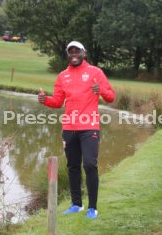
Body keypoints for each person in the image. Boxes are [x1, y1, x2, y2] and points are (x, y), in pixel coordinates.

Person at [38, 41, 115, 219]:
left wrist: (100, 89)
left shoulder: (96, 72)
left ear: (83, 53)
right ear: (68, 54)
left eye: (77, 51)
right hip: (69, 128)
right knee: (73, 166)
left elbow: (111, 97)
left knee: (89, 164)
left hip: (89, 127)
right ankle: (76, 204)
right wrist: (45, 100)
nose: (74, 54)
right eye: (70, 51)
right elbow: (57, 102)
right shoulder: (62, 76)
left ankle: (92, 208)